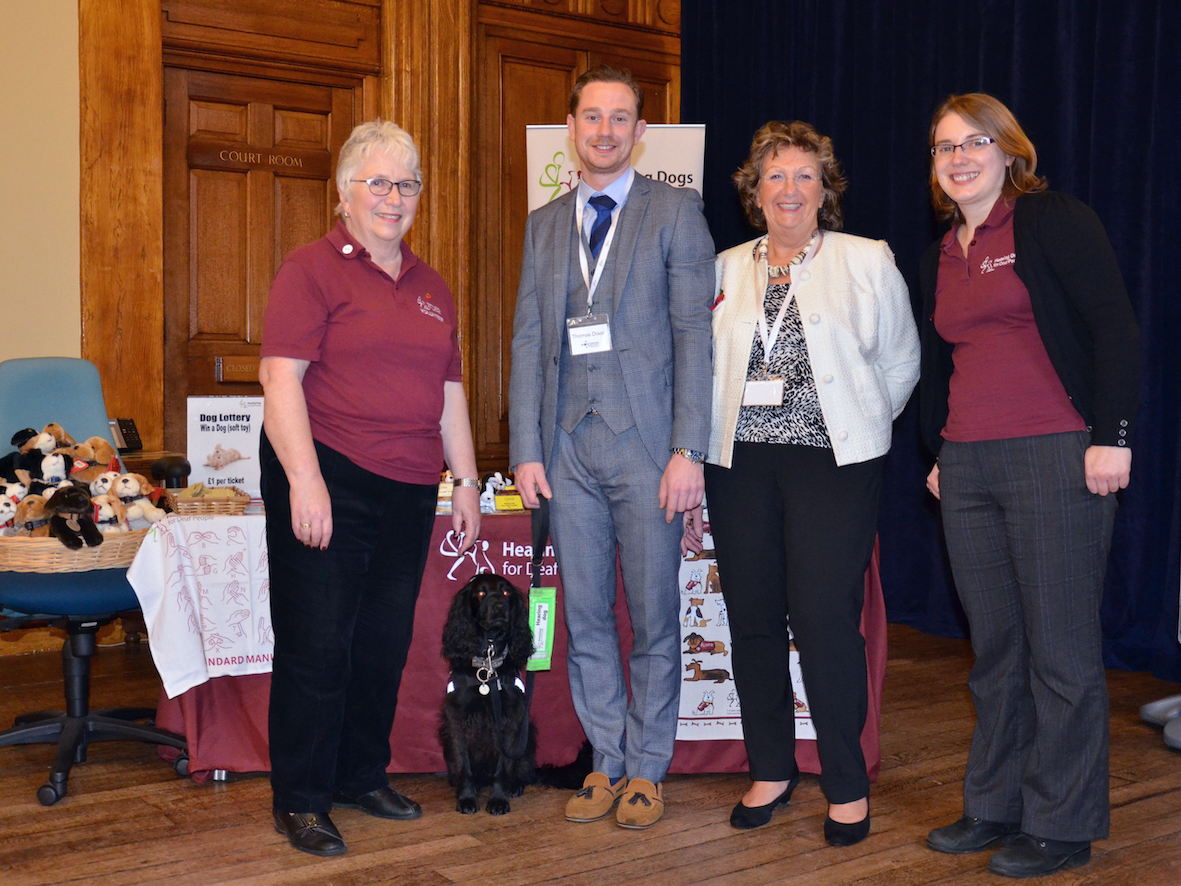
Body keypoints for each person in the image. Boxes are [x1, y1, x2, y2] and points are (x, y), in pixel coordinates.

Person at [919, 94, 1140, 878]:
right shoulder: (944, 249)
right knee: (996, 650)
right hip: (968, 463)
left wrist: (1111, 438)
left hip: (1055, 454)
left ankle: (1062, 821)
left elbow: (1113, 327)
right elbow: (942, 365)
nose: (958, 157)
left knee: (1060, 651)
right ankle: (994, 804)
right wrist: (939, 452)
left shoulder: (1051, 221)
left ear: (1009, 149)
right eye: (945, 147)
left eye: (973, 141)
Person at [682, 120, 919, 846]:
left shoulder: (865, 260)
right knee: (751, 619)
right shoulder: (721, 268)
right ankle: (772, 767)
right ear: (754, 191)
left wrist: (859, 425)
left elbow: (899, 363)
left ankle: (844, 781)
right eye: (774, 177)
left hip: (832, 464)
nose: (789, 189)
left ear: (825, 189)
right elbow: (699, 374)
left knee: (821, 618)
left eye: (803, 175)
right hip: (739, 464)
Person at [258, 119, 481, 856]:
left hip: (410, 485)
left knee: (381, 644)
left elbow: (449, 390)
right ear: (344, 195)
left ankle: (360, 775)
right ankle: (301, 798)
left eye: (407, 183)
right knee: (316, 645)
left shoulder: (431, 285)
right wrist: (305, 481)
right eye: (378, 181)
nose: (394, 196)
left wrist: (467, 481)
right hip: (332, 472)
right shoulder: (309, 269)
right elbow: (279, 379)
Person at [508, 65, 715, 828]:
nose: (603, 131)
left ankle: (648, 769)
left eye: (619, 118)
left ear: (639, 132)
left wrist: (688, 450)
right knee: (586, 615)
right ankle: (606, 760)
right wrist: (526, 447)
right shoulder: (543, 222)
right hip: (566, 451)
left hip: (649, 449)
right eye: (590, 117)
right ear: (570, 128)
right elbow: (529, 338)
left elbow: (695, 334)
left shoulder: (675, 212)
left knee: (655, 618)